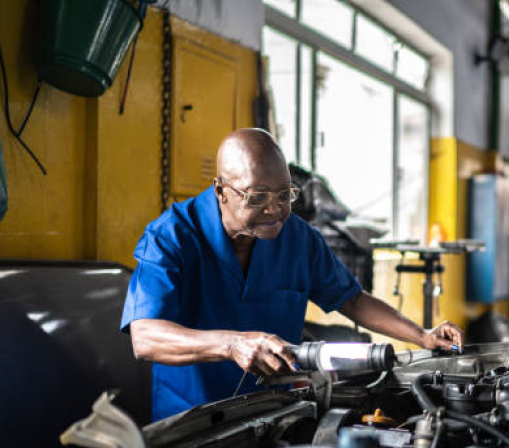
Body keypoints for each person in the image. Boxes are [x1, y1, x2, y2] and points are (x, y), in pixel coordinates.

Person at [121, 128, 463, 421]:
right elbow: (145, 336)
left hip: (277, 412)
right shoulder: (170, 238)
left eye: (285, 194)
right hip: (191, 421)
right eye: (258, 197)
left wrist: (421, 336)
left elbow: (353, 301)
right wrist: (232, 344)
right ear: (221, 190)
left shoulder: (298, 238)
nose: (275, 209)